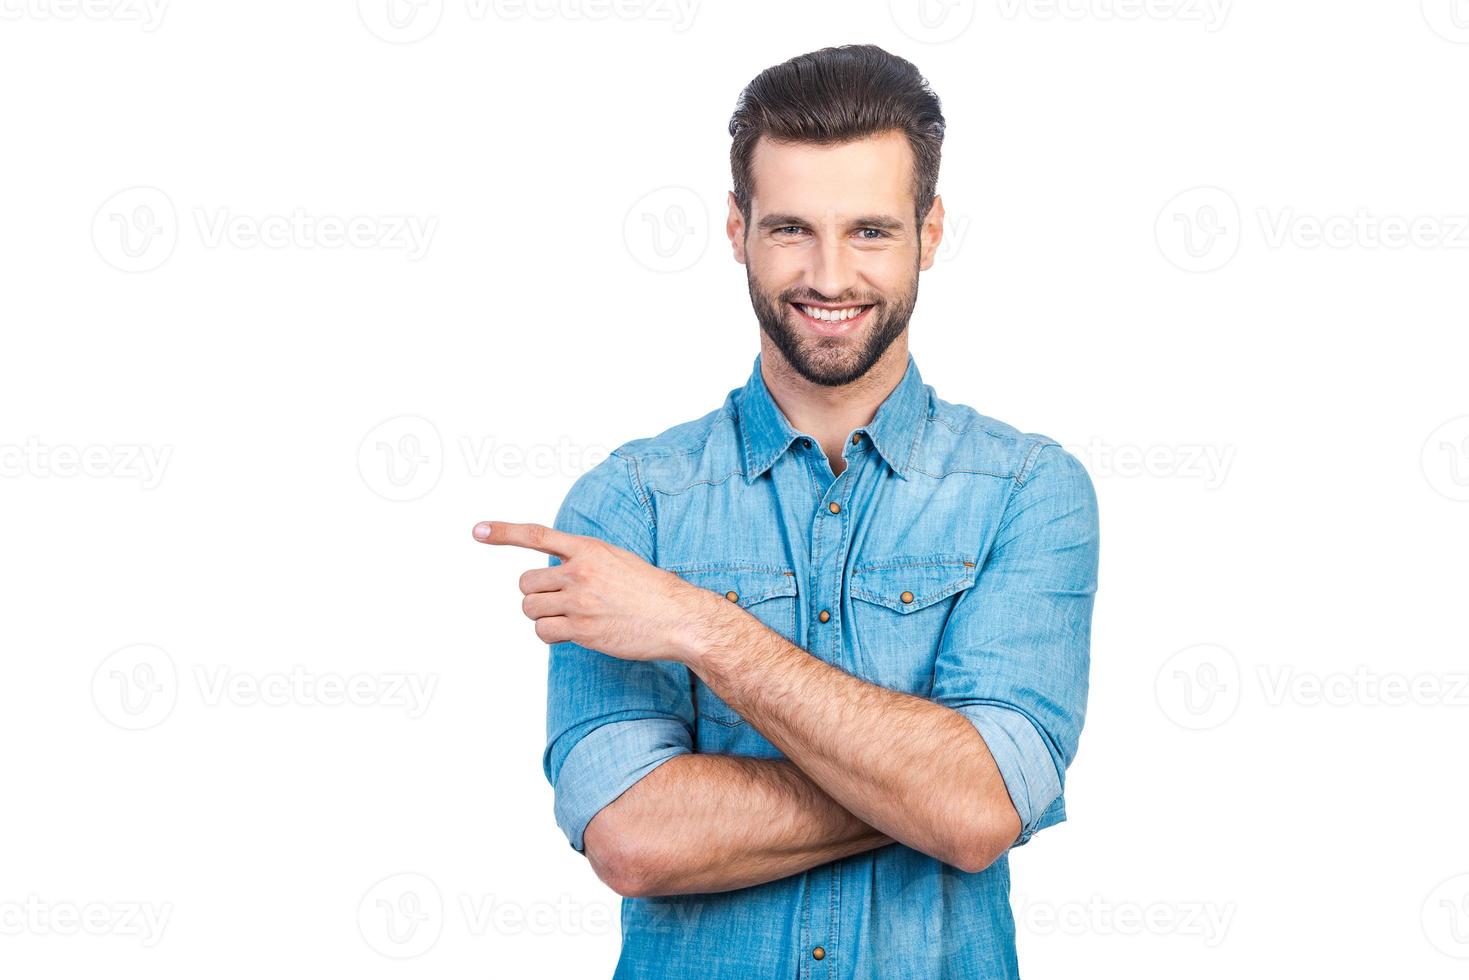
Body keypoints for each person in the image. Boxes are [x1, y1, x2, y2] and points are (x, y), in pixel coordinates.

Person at [472, 42, 1100, 979]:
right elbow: (633, 838)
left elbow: (976, 813)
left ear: (930, 232)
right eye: (791, 229)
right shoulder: (627, 506)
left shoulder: (1028, 493)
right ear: (736, 228)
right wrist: (927, 784)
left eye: (871, 232)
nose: (830, 276)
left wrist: (695, 625)